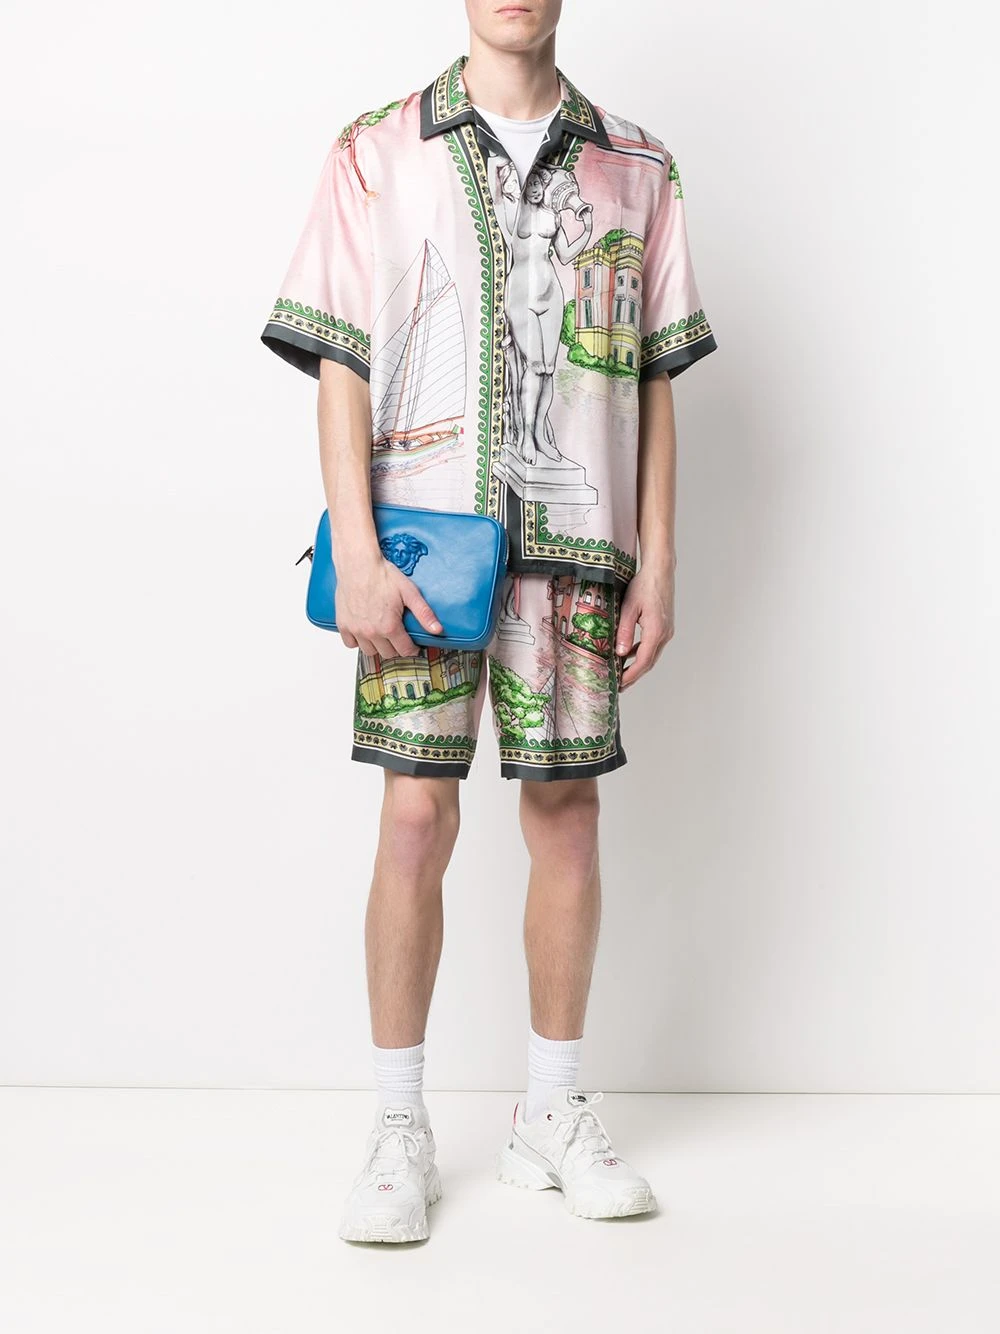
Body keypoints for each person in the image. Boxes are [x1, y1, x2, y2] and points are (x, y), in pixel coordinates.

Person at [260, 0, 717, 1243]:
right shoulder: (377, 149)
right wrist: (356, 548)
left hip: (576, 552)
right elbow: (342, 361)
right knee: (415, 815)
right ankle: (396, 1123)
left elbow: (655, 376)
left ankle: (550, 1111)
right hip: (423, 554)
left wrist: (660, 560)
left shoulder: (638, 165)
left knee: (568, 816)